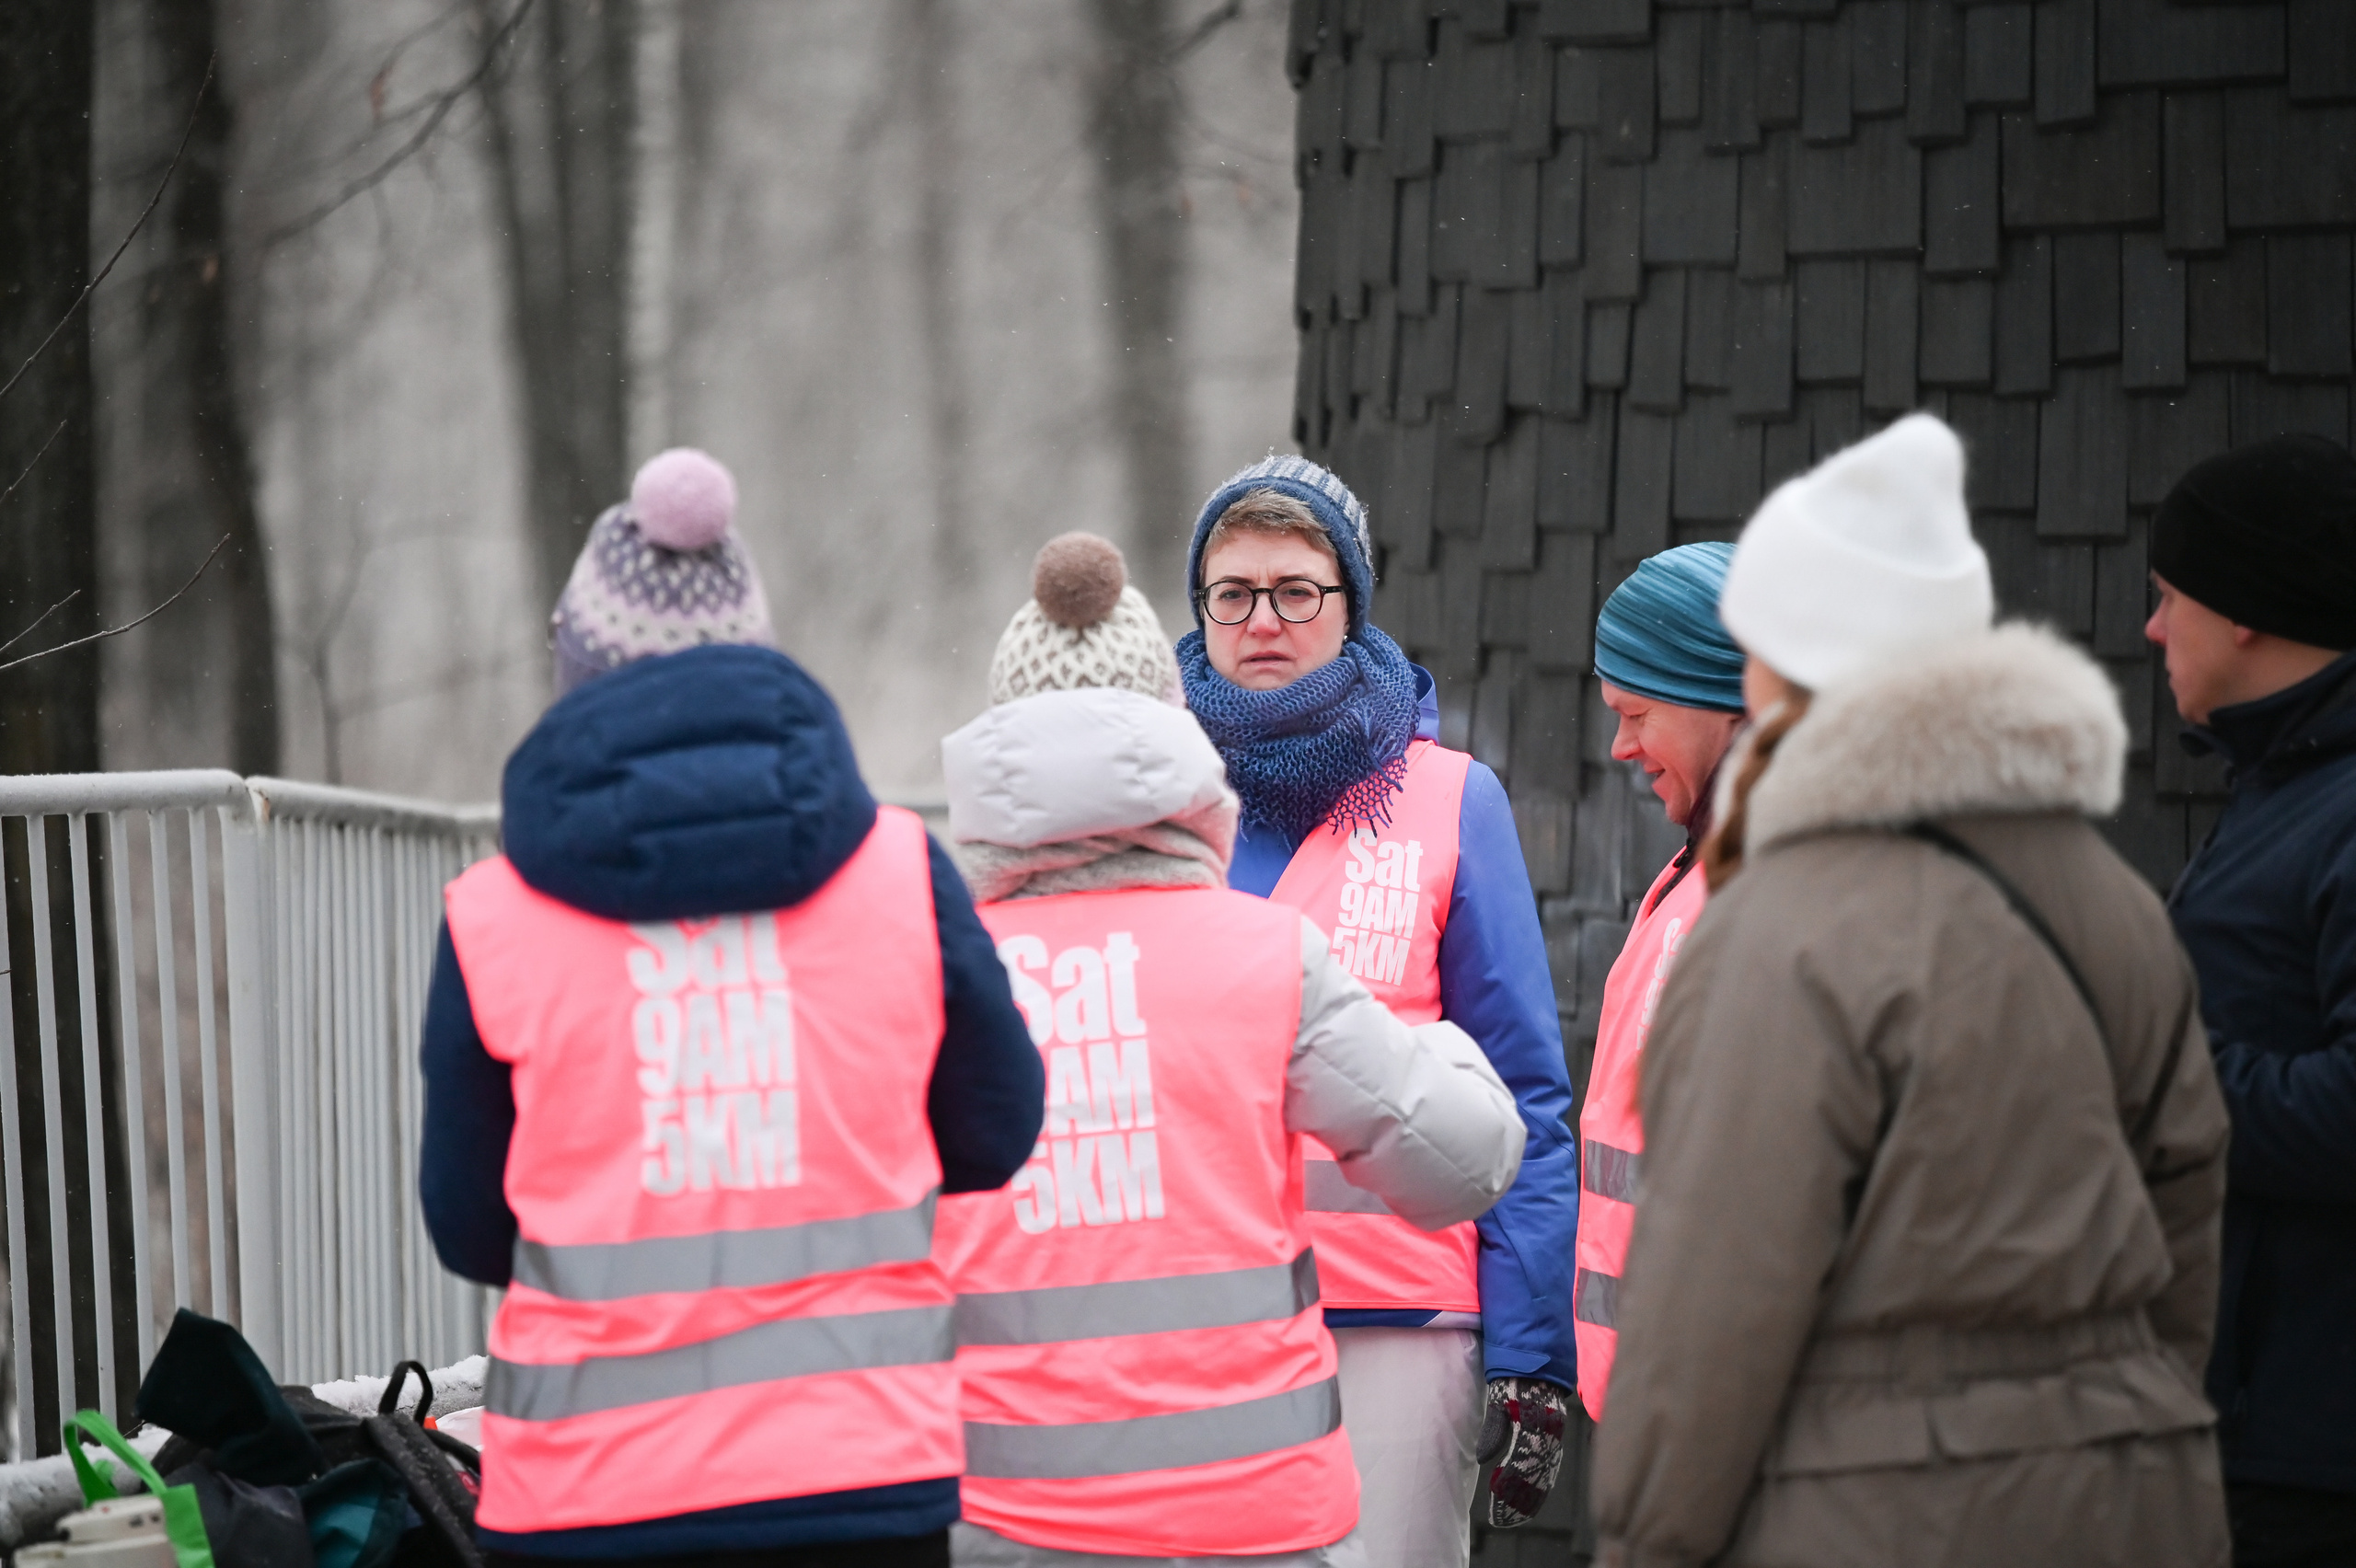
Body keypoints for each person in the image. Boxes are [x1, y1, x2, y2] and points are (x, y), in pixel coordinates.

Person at [1591, 414, 2233, 1567]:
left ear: (1780, 667)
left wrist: (1647, 1541)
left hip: (1880, 1511)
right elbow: (2186, 1198)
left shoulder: (1776, 926)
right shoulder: (2116, 903)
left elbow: (1717, 1298)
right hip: (2142, 1489)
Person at [417, 449, 1046, 1568]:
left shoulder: (489, 918)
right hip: (858, 1481)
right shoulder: (903, 870)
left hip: (586, 1492)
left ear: (580, 671)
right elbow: (995, 1133)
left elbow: (469, 1225)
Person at [933, 533, 1527, 1567]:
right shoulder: (1265, 959)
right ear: (1174, 733)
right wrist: (1436, 1044)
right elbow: (1468, 1158)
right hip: (1248, 1511)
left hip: (1006, 1507)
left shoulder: (941, 973)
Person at [1175, 456, 1579, 1558]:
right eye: (1233, 592)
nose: (1264, 619)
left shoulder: (1452, 800)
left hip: (1401, 1328)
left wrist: (1532, 1352)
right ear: (1200, 608)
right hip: (1193, 1315)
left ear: (1350, 605)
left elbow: (1525, 1092)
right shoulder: (1153, 806)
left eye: (1297, 590)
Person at [2145, 433, 2356, 1568]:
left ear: (2242, 610)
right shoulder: (2282, 786)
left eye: (2167, 595)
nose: (2149, 627)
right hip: (2240, 1421)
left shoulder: (2340, 805)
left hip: (2309, 1457)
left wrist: (2151, 1081)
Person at [1576, 542, 1747, 1422]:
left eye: (1637, 711)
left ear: (1717, 697)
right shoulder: (1699, 870)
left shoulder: (1778, 883)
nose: (1620, 746)